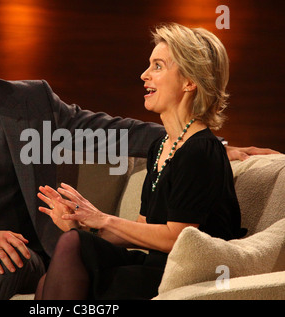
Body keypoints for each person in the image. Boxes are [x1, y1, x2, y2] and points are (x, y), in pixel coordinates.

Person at [0, 14, 275, 300]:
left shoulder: (29, 101)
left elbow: (102, 131)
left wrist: (205, 142)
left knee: (13, 254)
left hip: (19, 254)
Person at [35, 23, 252, 300]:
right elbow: (143, 227)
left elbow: (179, 238)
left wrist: (104, 219)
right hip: (155, 266)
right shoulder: (161, 146)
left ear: (189, 81)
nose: (144, 74)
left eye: (158, 66)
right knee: (74, 244)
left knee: (75, 268)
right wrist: (83, 225)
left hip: (185, 277)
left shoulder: (201, 151)